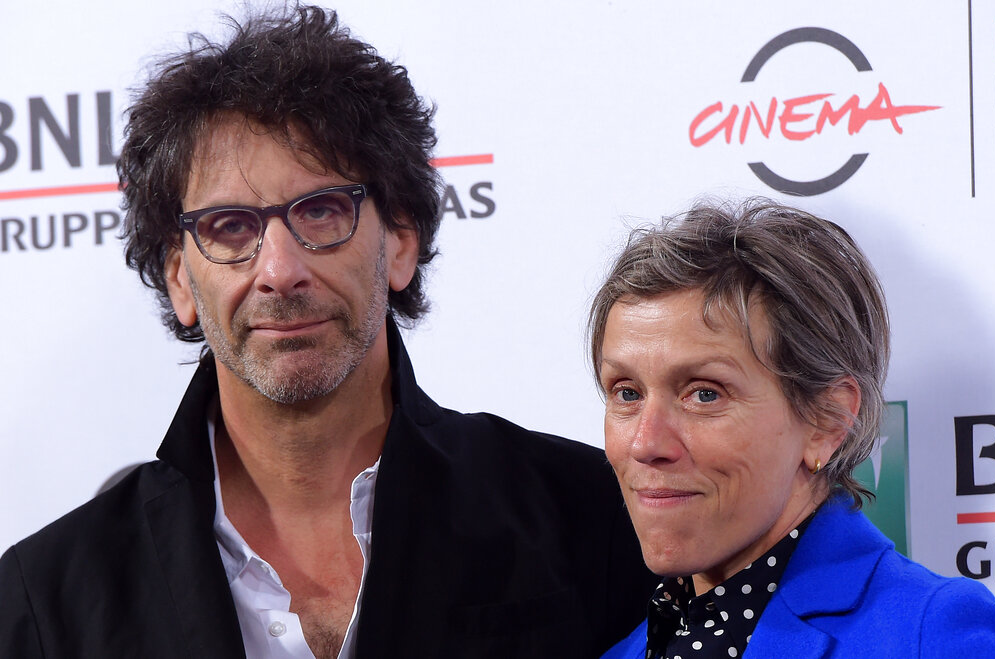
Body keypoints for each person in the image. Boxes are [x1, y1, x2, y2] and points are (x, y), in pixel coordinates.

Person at [0, 6, 654, 658]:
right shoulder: (46, 599)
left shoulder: (588, 516)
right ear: (179, 277)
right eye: (230, 226)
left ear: (400, 241)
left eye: (321, 211)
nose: (280, 272)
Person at [588, 199, 995, 658]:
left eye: (705, 394)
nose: (645, 443)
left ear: (827, 420)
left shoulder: (938, 637)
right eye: (627, 393)